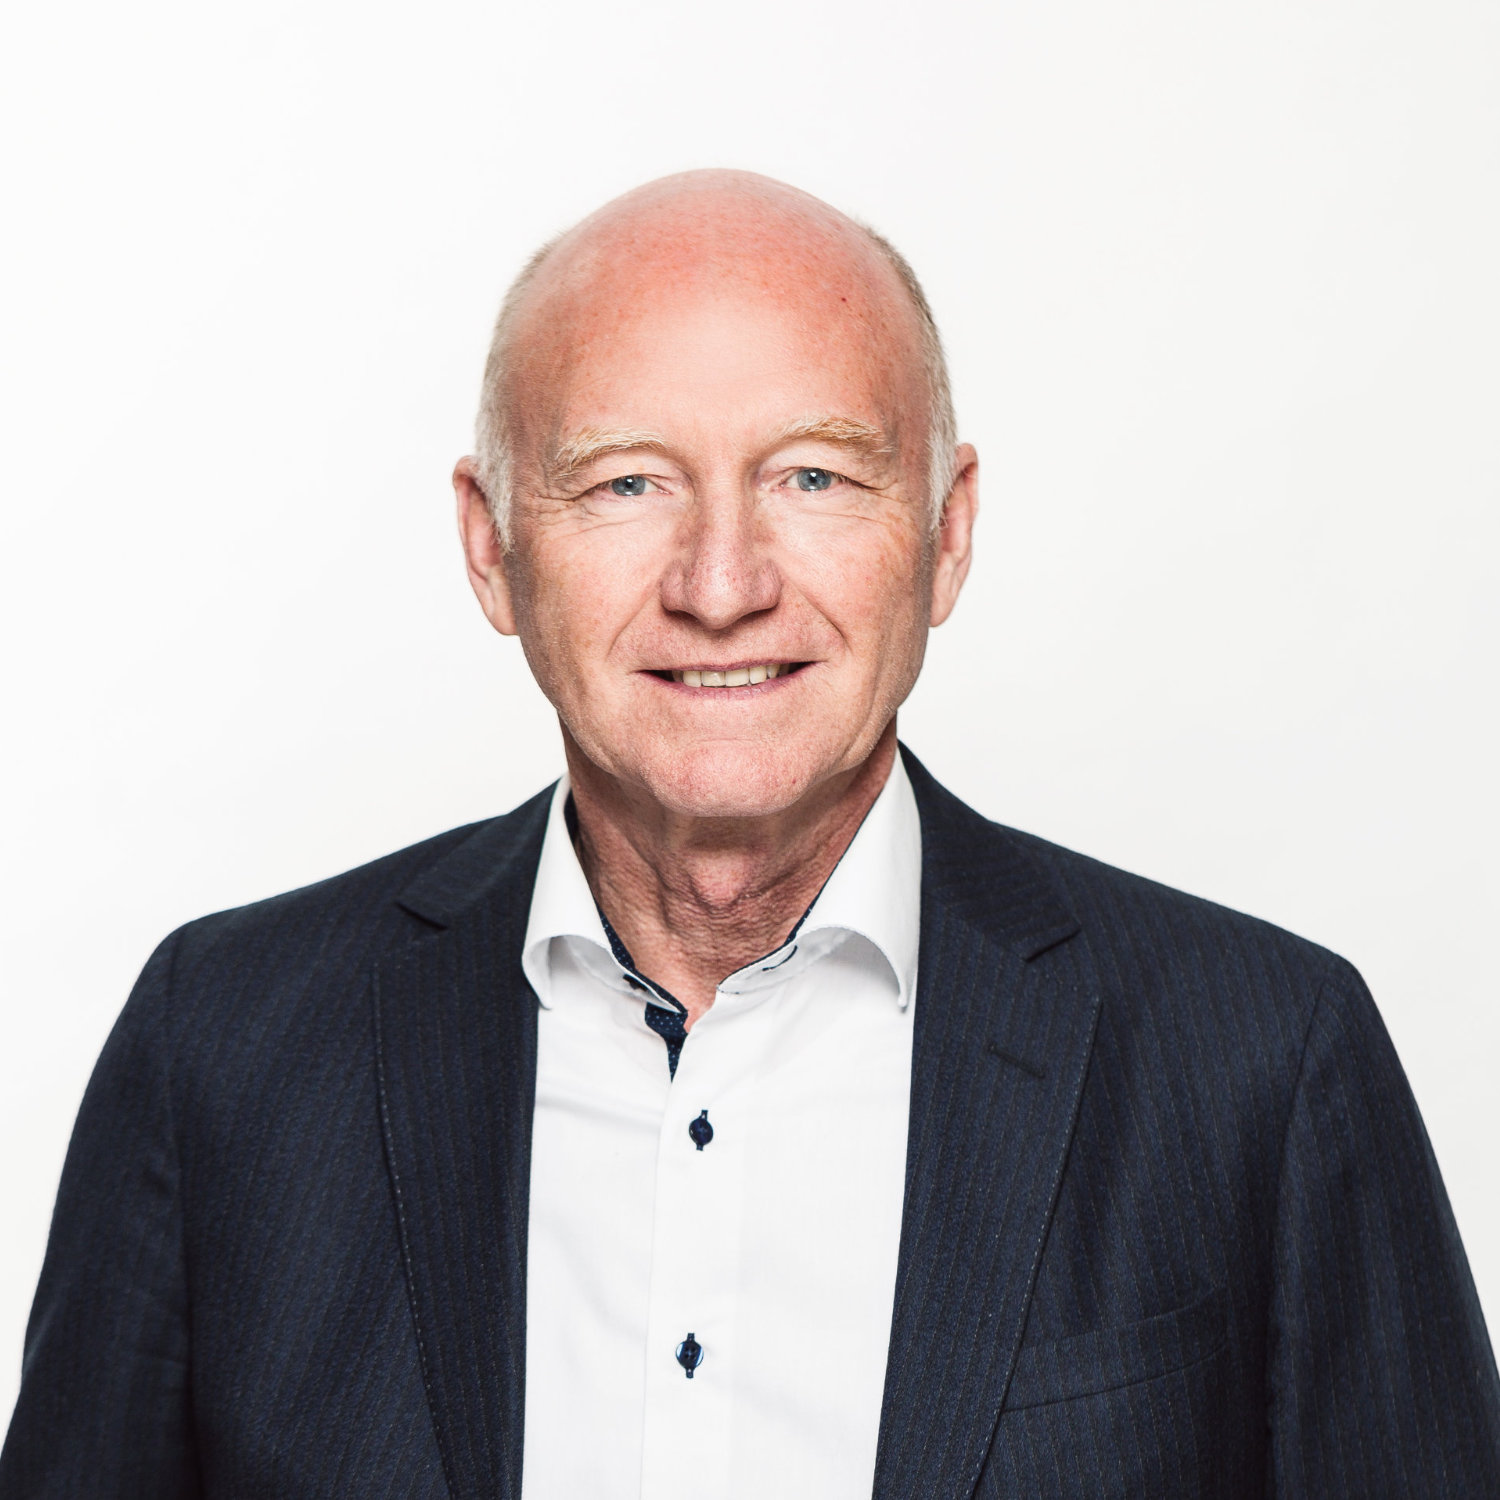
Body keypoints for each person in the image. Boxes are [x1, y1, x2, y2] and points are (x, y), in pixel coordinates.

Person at [2, 169, 1496, 1500]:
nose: (721, 585)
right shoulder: (222, 1050)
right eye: (627, 483)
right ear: (492, 546)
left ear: (947, 531)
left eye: (815, 476)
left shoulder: (1264, 1065)